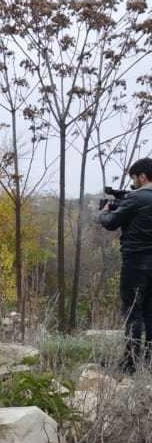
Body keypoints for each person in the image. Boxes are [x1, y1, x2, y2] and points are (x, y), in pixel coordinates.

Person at [99, 157, 152, 372]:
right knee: (149, 312)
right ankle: (147, 361)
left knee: (132, 311)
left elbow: (111, 223)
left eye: (134, 178)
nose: (133, 183)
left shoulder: (137, 198)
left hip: (136, 262)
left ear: (142, 176)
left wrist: (103, 212)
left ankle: (130, 363)